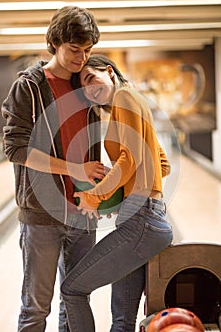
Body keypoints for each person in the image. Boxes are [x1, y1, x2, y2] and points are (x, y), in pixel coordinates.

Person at [1, 6, 105, 332]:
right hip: (42, 215)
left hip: (83, 212)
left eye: (87, 50)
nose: (81, 57)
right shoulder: (28, 88)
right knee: (36, 308)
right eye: (75, 50)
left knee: (74, 302)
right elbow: (16, 149)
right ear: (56, 42)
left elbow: (124, 95)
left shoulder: (86, 82)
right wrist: (75, 168)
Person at [61, 54, 173, 332]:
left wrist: (96, 196)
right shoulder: (135, 101)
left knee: (72, 290)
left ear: (108, 71)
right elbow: (163, 162)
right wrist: (130, 189)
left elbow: (130, 157)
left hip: (140, 220)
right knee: (122, 321)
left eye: (91, 78)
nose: (89, 89)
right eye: (83, 88)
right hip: (145, 215)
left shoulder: (123, 97)